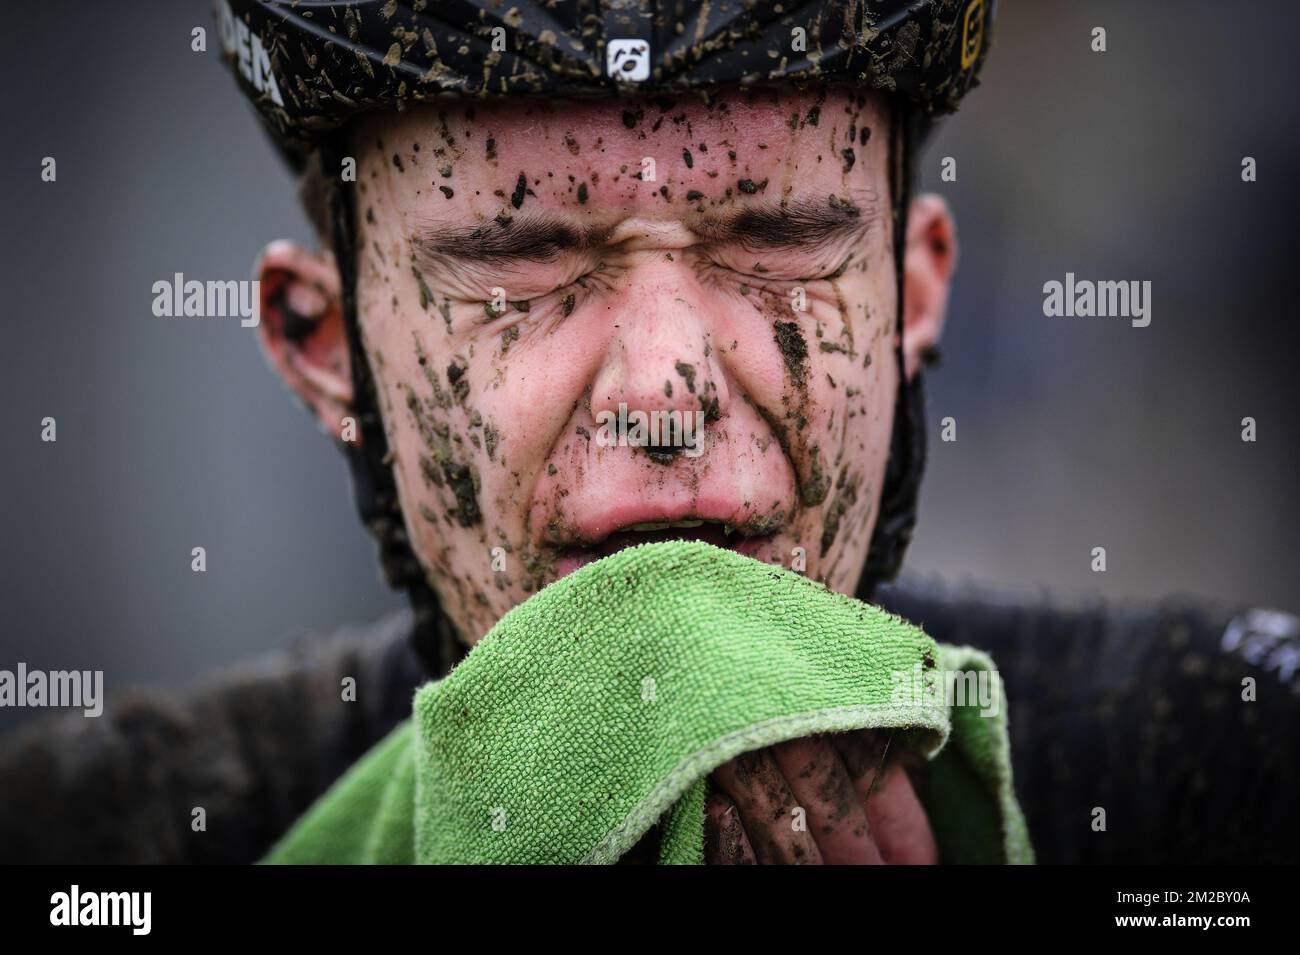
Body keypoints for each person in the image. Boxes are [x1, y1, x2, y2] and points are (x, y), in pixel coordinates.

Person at [1, 0, 1295, 864]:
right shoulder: (89, 838)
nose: (667, 394)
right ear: (324, 346)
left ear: (912, 298)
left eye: (779, 242)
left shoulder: (1230, 774)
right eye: (520, 263)